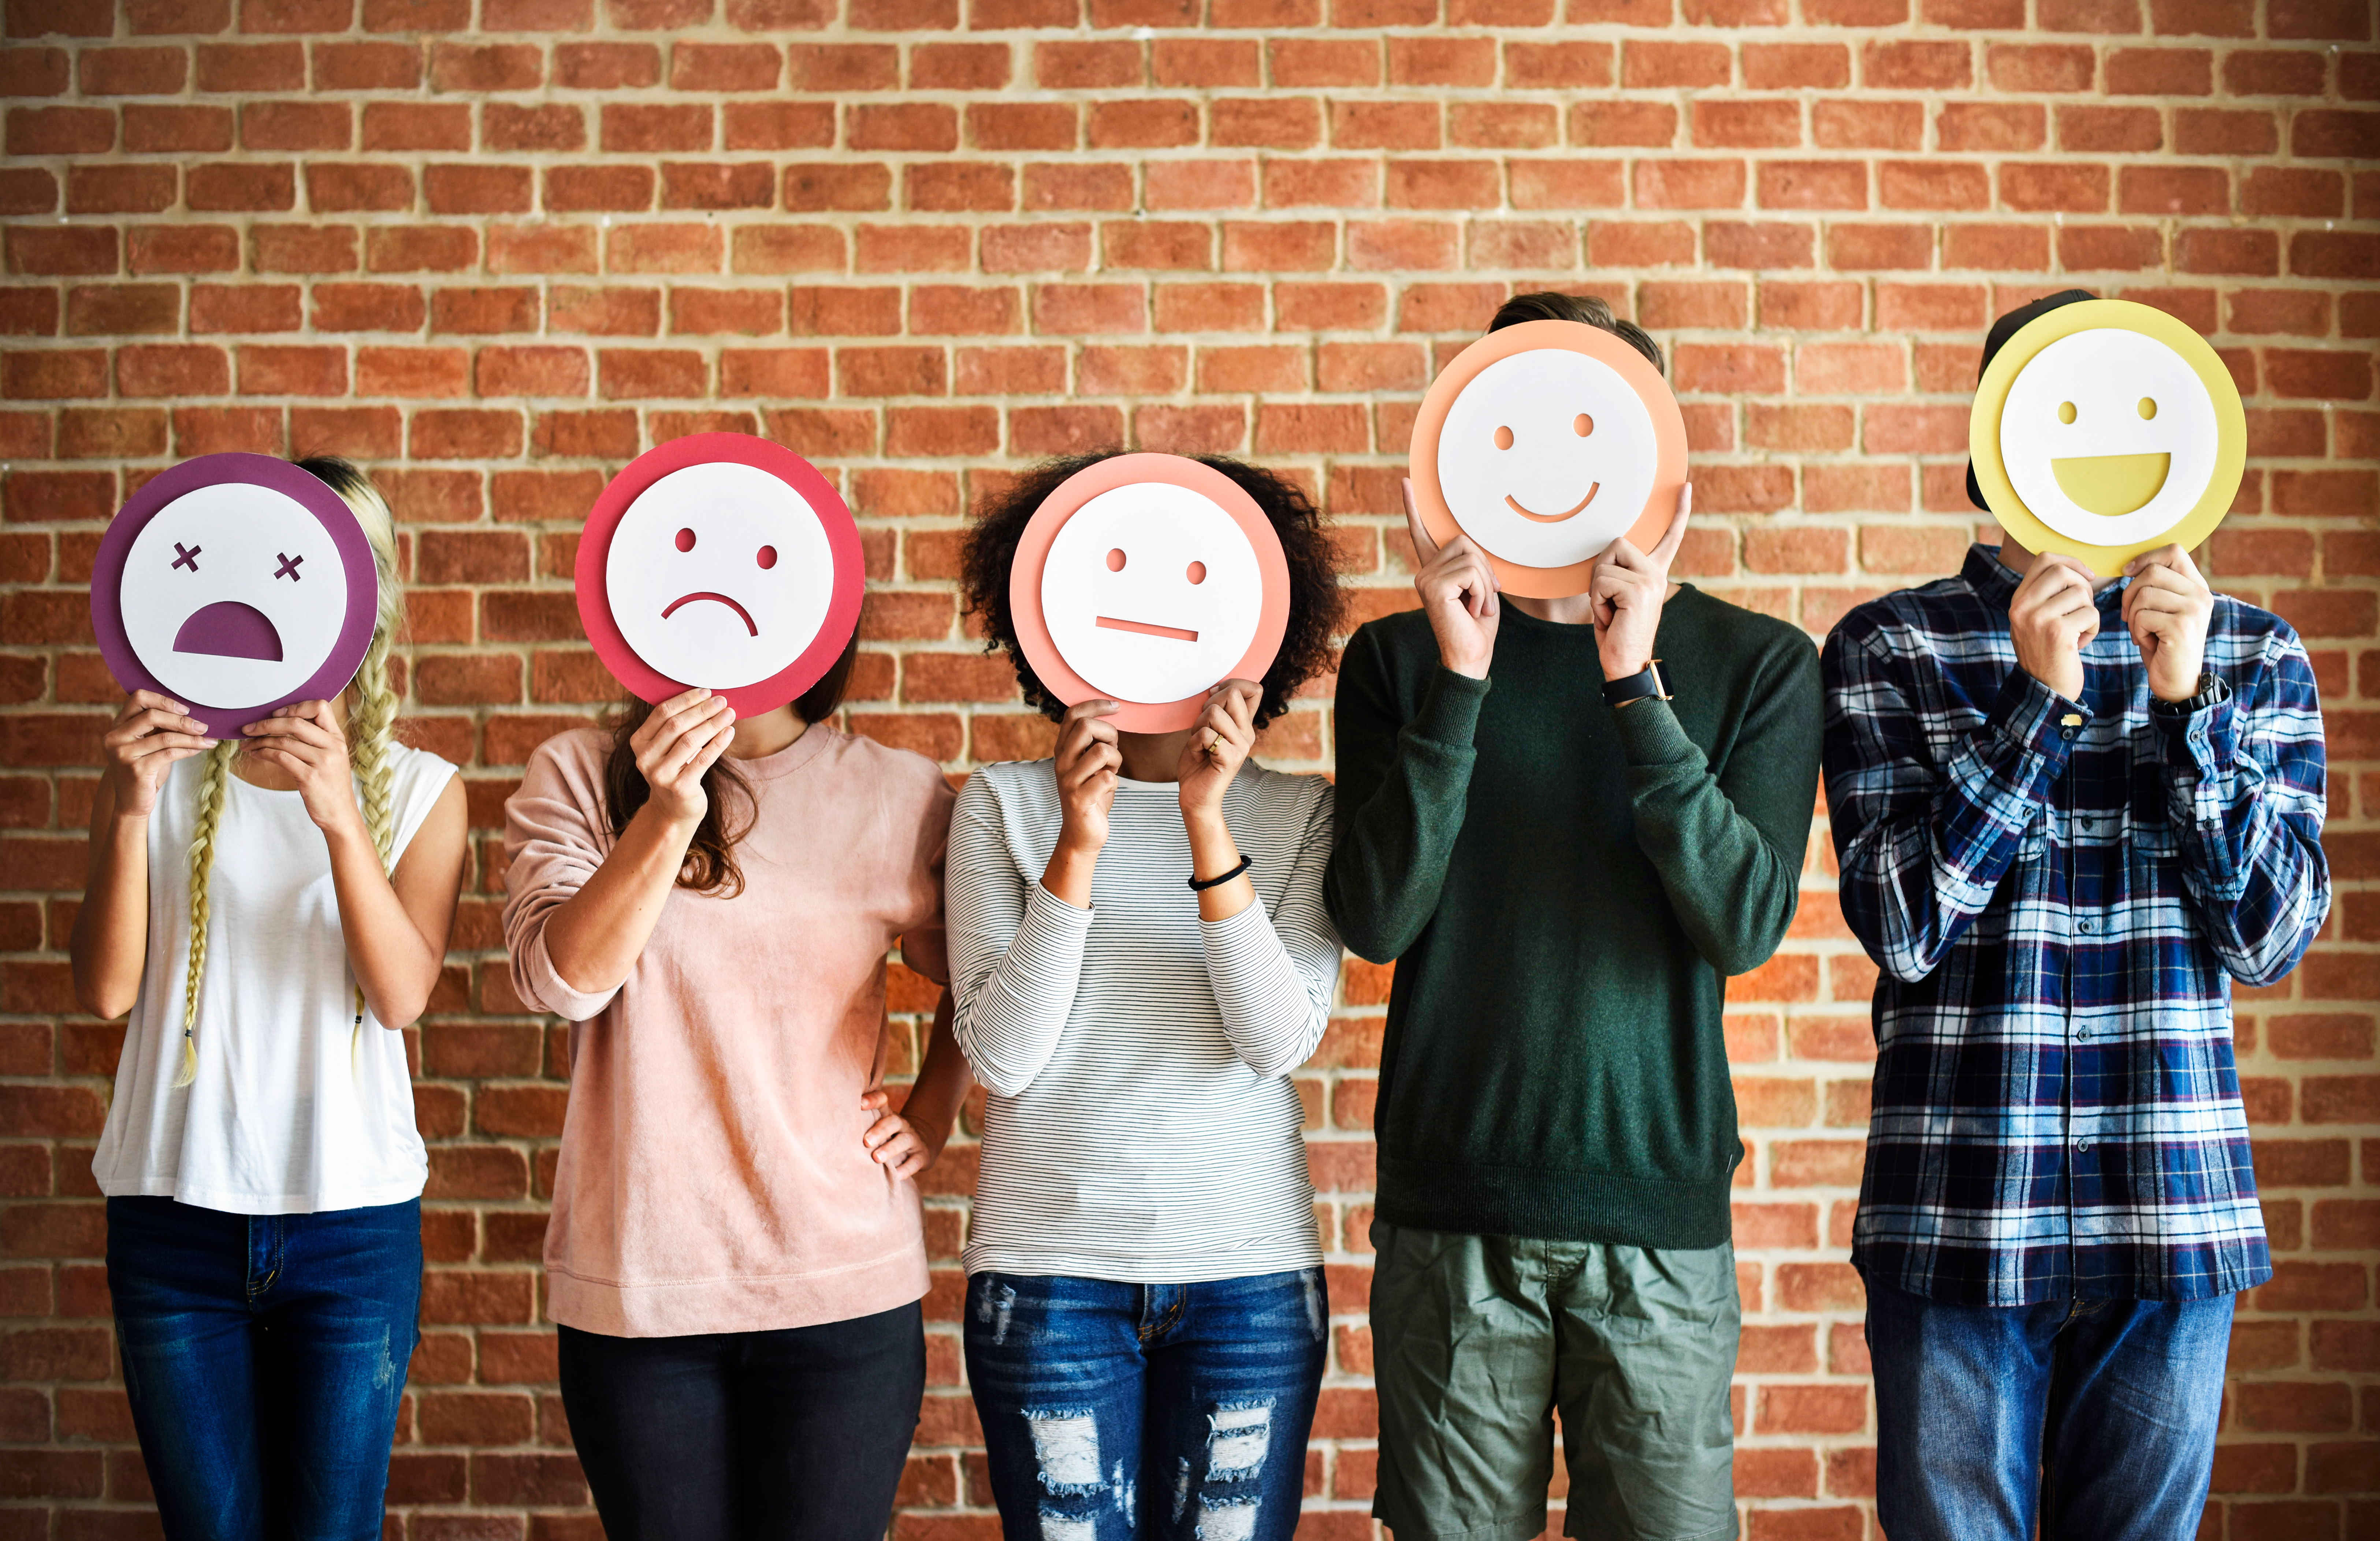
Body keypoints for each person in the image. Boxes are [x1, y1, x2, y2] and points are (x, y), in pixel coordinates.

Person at [1821, 290, 2330, 1541]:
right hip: (1957, 1209)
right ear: (1993, 440)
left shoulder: (2255, 655)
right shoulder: (1891, 645)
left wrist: (2186, 703)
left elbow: (2269, 940)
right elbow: (1902, 928)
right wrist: (2037, 706)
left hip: (2172, 1204)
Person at [1327, 292, 1823, 1541]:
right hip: (1453, 1220)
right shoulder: (1396, 662)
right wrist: (1462, 678)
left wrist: (1634, 681)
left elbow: (1744, 925)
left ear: (1654, 455)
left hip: (1656, 1223)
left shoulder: (1760, 664)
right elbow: (1376, 919)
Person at [947, 453, 1346, 1541]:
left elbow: (1276, 1040)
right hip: (1049, 1282)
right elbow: (1003, 1057)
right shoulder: (1002, 806)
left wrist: (1205, 822)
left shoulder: (1300, 814)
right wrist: (1080, 843)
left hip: (1246, 1282)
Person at [73, 456, 468, 1540]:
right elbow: (104, 992)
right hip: (171, 1218)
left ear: (363, 604)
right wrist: (127, 810)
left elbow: (401, 996)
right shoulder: (157, 771)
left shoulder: (423, 789)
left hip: (351, 1230)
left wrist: (339, 816)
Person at [501, 634, 969, 1541]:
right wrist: (669, 812)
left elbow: (993, 974)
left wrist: (934, 1110)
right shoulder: (578, 774)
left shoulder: (899, 794)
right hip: (641, 1291)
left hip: (842, 1293)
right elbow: (564, 983)